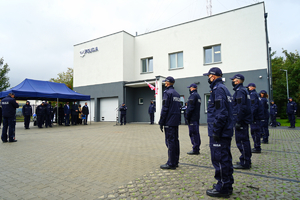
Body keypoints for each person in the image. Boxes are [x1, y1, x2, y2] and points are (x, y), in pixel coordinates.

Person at [203, 67, 234, 198]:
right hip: (224, 130)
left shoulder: (218, 90)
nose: (208, 78)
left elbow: (221, 113)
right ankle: (227, 184)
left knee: (219, 159)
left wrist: (216, 130)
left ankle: (222, 187)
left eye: (208, 76)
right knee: (225, 158)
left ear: (213, 76)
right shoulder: (224, 88)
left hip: (220, 132)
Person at [230, 74, 253, 169]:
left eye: (234, 80)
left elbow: (240, 107)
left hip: (241, 120)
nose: (233, 82)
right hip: (243, 120)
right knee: (245, 141)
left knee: (242, 141)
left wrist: (238, 121)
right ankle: (246, 159)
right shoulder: (244, 91)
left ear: (238, 81)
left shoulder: (240, 91)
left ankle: (245, 162)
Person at [159, 76, 181, 170]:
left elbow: (165, 108)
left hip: (169, 121)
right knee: (175, 141)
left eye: (165, 82)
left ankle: (171, 163)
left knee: (170, 142)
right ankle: (175, 161)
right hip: (175, 121)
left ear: (167, 83)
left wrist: (161, 121)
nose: (164, 83)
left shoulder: (167, 93)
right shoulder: (177, 93)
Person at [246, 83, 263, 153]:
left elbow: (253, 106)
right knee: (256, 132)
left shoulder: (253, 94)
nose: (248, 88)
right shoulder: (256, 94)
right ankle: (257, 146)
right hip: (257, 117)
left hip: (255, 117)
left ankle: (257, 147)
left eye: (249, 87)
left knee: (255, 132)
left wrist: (251, 116)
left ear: (252, 87)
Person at [186, 83, 201, 155]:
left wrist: (187, 116)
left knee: (193, 133)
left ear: (192, 88)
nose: (189, 89)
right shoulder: (198, 96)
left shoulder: (193, 96)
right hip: (196, 117)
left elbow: (190, 108)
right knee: (196, 133)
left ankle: (195, 149)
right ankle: (196, 148)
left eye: (190, 88)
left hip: (192, 118)